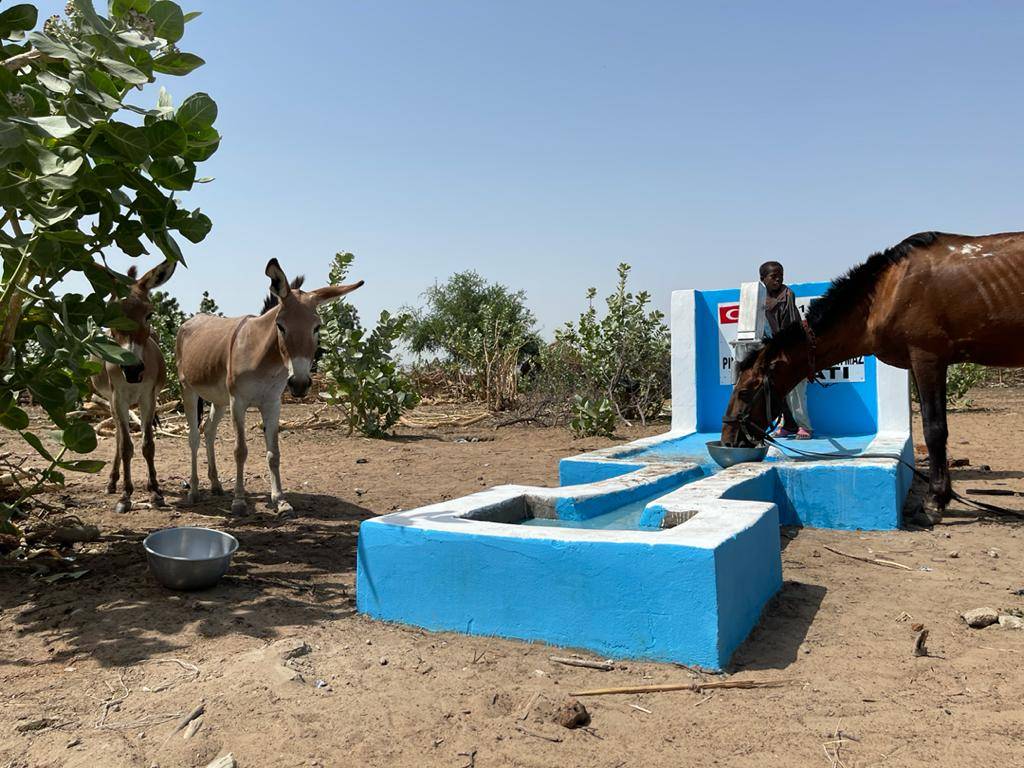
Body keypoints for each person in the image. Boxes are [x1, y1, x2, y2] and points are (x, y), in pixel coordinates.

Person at [759, 261, 812, 439]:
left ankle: (804, 427)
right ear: (762, 279)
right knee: (778, 392)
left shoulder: (787, 294)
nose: (778, 279)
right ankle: (788, 425)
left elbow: (789, 327)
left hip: (792, 349)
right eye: (773, 276)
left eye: (780, 275)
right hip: (773, 351)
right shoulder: (760, 298)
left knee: (796, 390)